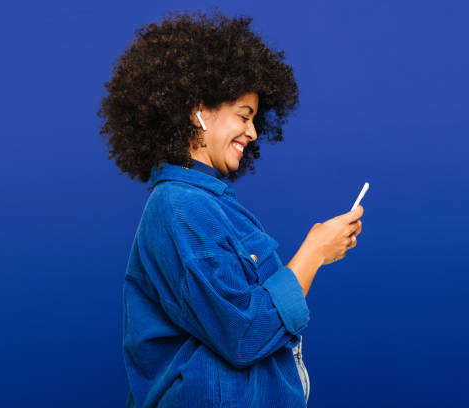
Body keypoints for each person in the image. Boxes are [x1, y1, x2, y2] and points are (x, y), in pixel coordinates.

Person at [97, 9, 364, 408]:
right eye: (244, 116)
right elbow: (244, 333)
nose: (253, 133)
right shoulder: (181, 206)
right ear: (199, 111)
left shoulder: (207, 204)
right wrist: (313, 253)